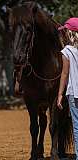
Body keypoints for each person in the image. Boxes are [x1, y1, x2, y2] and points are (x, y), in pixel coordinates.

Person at [57, 17, 78, 160]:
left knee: (77, 126)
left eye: (65, 31)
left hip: (74, 93)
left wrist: (59, 95)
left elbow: (64, 74)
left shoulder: (67, 51)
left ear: (69, 33)